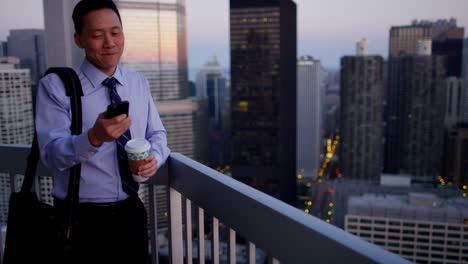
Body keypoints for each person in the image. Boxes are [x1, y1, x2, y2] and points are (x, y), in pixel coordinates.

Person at [35, 0, 170, 263]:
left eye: (115, 32)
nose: (109, 42)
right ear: (79, 39)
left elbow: (158, 134)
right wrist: (93, 137)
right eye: (97, 35)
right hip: (79, 220)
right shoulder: (56, 86)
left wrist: (153, 158)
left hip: (131, 212)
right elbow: (50, 155)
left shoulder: (136, 82)